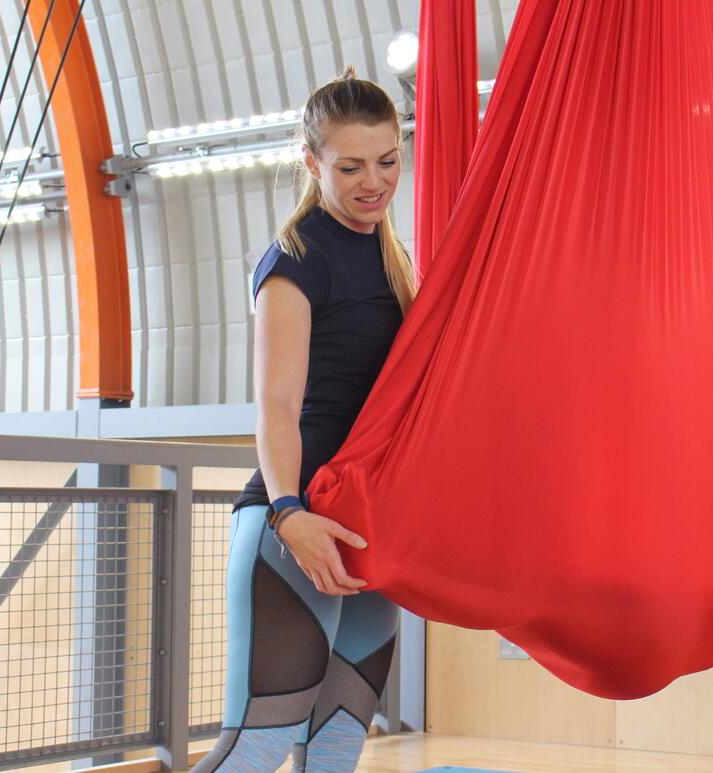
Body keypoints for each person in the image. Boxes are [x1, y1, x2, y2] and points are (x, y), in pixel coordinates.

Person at [191, 66, 416, 773]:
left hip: (364, 527)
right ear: (310, 160)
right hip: (296, 522)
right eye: (350, 166)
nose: (373, 181)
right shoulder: (294, 261)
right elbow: (277, 404)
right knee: (254, 746)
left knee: (337, 744)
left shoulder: (395, 260)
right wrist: (289, 510)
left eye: (388, 161)